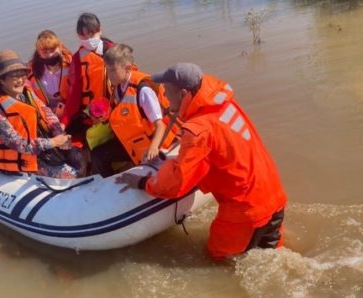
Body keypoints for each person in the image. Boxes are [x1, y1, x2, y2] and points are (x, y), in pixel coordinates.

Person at [116, 63, 287, 260]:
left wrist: (141, 183)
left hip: (246, 211)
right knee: (274, 257)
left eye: (167, 91)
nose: (164, 95)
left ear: (182, 94)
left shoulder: (197, 131)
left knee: (218, 260)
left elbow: (175, 184)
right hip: (273, 195)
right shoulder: (223, 104)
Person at [0, 50, 83, 179]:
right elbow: (17, 144)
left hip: (43, 146)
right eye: (14, 76)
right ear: (2, 80)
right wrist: (53, 142)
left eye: (22, 74)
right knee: (72, 175)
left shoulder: (27, 92)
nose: (20, 80)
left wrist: (58, 132)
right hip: (25, 158)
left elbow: (47, 112)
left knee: (80, 159)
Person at [90, 44, 176, 177]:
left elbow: (160, 125)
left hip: (150, 143)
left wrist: (153, 148)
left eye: (113, 70)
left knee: (100, 155)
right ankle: (111, 183)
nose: (109, 75)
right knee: (97, 154)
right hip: (131, 142)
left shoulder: (143, 91)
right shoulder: (119, 87)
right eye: (107, 70)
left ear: (128, 68)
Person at [60, 12, 115, 138]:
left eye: (91, 34)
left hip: (116, 109)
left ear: (100, 31)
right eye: (83, 35)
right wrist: (63, 123)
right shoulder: (77, 59)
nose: (88, 39)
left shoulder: (114, 51)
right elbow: (74, 94)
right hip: (93, 115)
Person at [28, 30, 72, 119]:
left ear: (59, 47)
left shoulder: (71, 64)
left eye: (53, 50)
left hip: (71, 109)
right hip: (49, 115)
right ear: (39, 53)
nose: (50, 55)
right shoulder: (31, 72)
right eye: (45, 52)